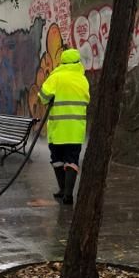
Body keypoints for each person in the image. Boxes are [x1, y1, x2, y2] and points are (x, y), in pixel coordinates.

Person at [38, 48, 90, 205]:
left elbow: (43, 97)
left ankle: (62, 189)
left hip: (58, 129)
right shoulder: (83, 80)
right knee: (72, 161)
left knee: (57, 160)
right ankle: (68, 194)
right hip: (75, 131)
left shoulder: (56, 77)